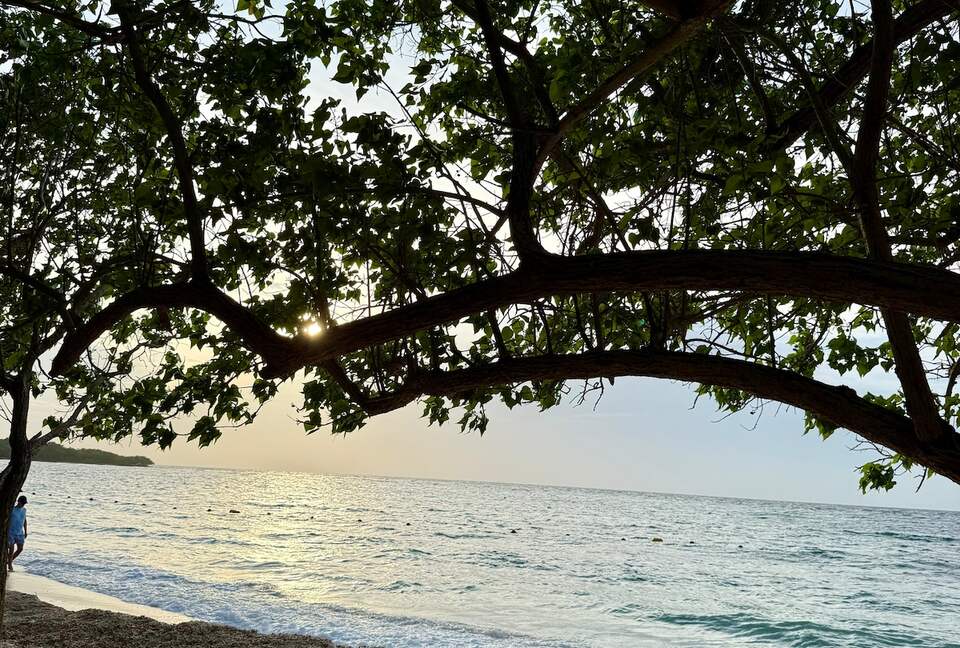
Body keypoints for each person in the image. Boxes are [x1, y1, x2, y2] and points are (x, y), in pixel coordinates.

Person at [7, 495, 27, 572]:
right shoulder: (12, 509)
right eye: (22, 503)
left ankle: (9, 561)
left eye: (24, 503)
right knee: (11, 550)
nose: (23, 505)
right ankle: (10, 565)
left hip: (20, 533)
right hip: (11, 532)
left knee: (20, 549)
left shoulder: (24, 510)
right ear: (18, 502)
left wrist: (25, 531)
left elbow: (25, 520)